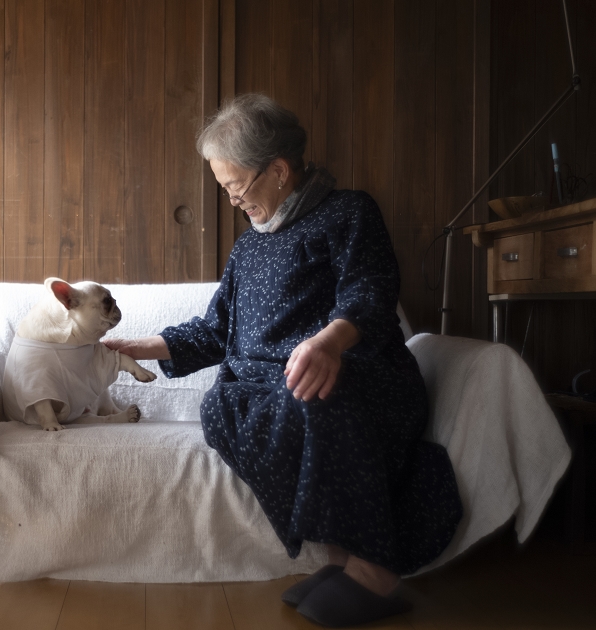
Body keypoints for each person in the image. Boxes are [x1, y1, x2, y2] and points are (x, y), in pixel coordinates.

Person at [105, 94, 462, 628]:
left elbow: (370, 288)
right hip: (274, 390)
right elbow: (215, 329)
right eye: (224, 188)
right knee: (221, 406)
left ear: (277, 170)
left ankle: (374, 571)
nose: (231, 201)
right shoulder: (248, 249)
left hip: (352, 374)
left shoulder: (349, 212)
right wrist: (141, 346)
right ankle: (342, 560)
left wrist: (329, 342)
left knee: (312, 394)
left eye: (236, 186)